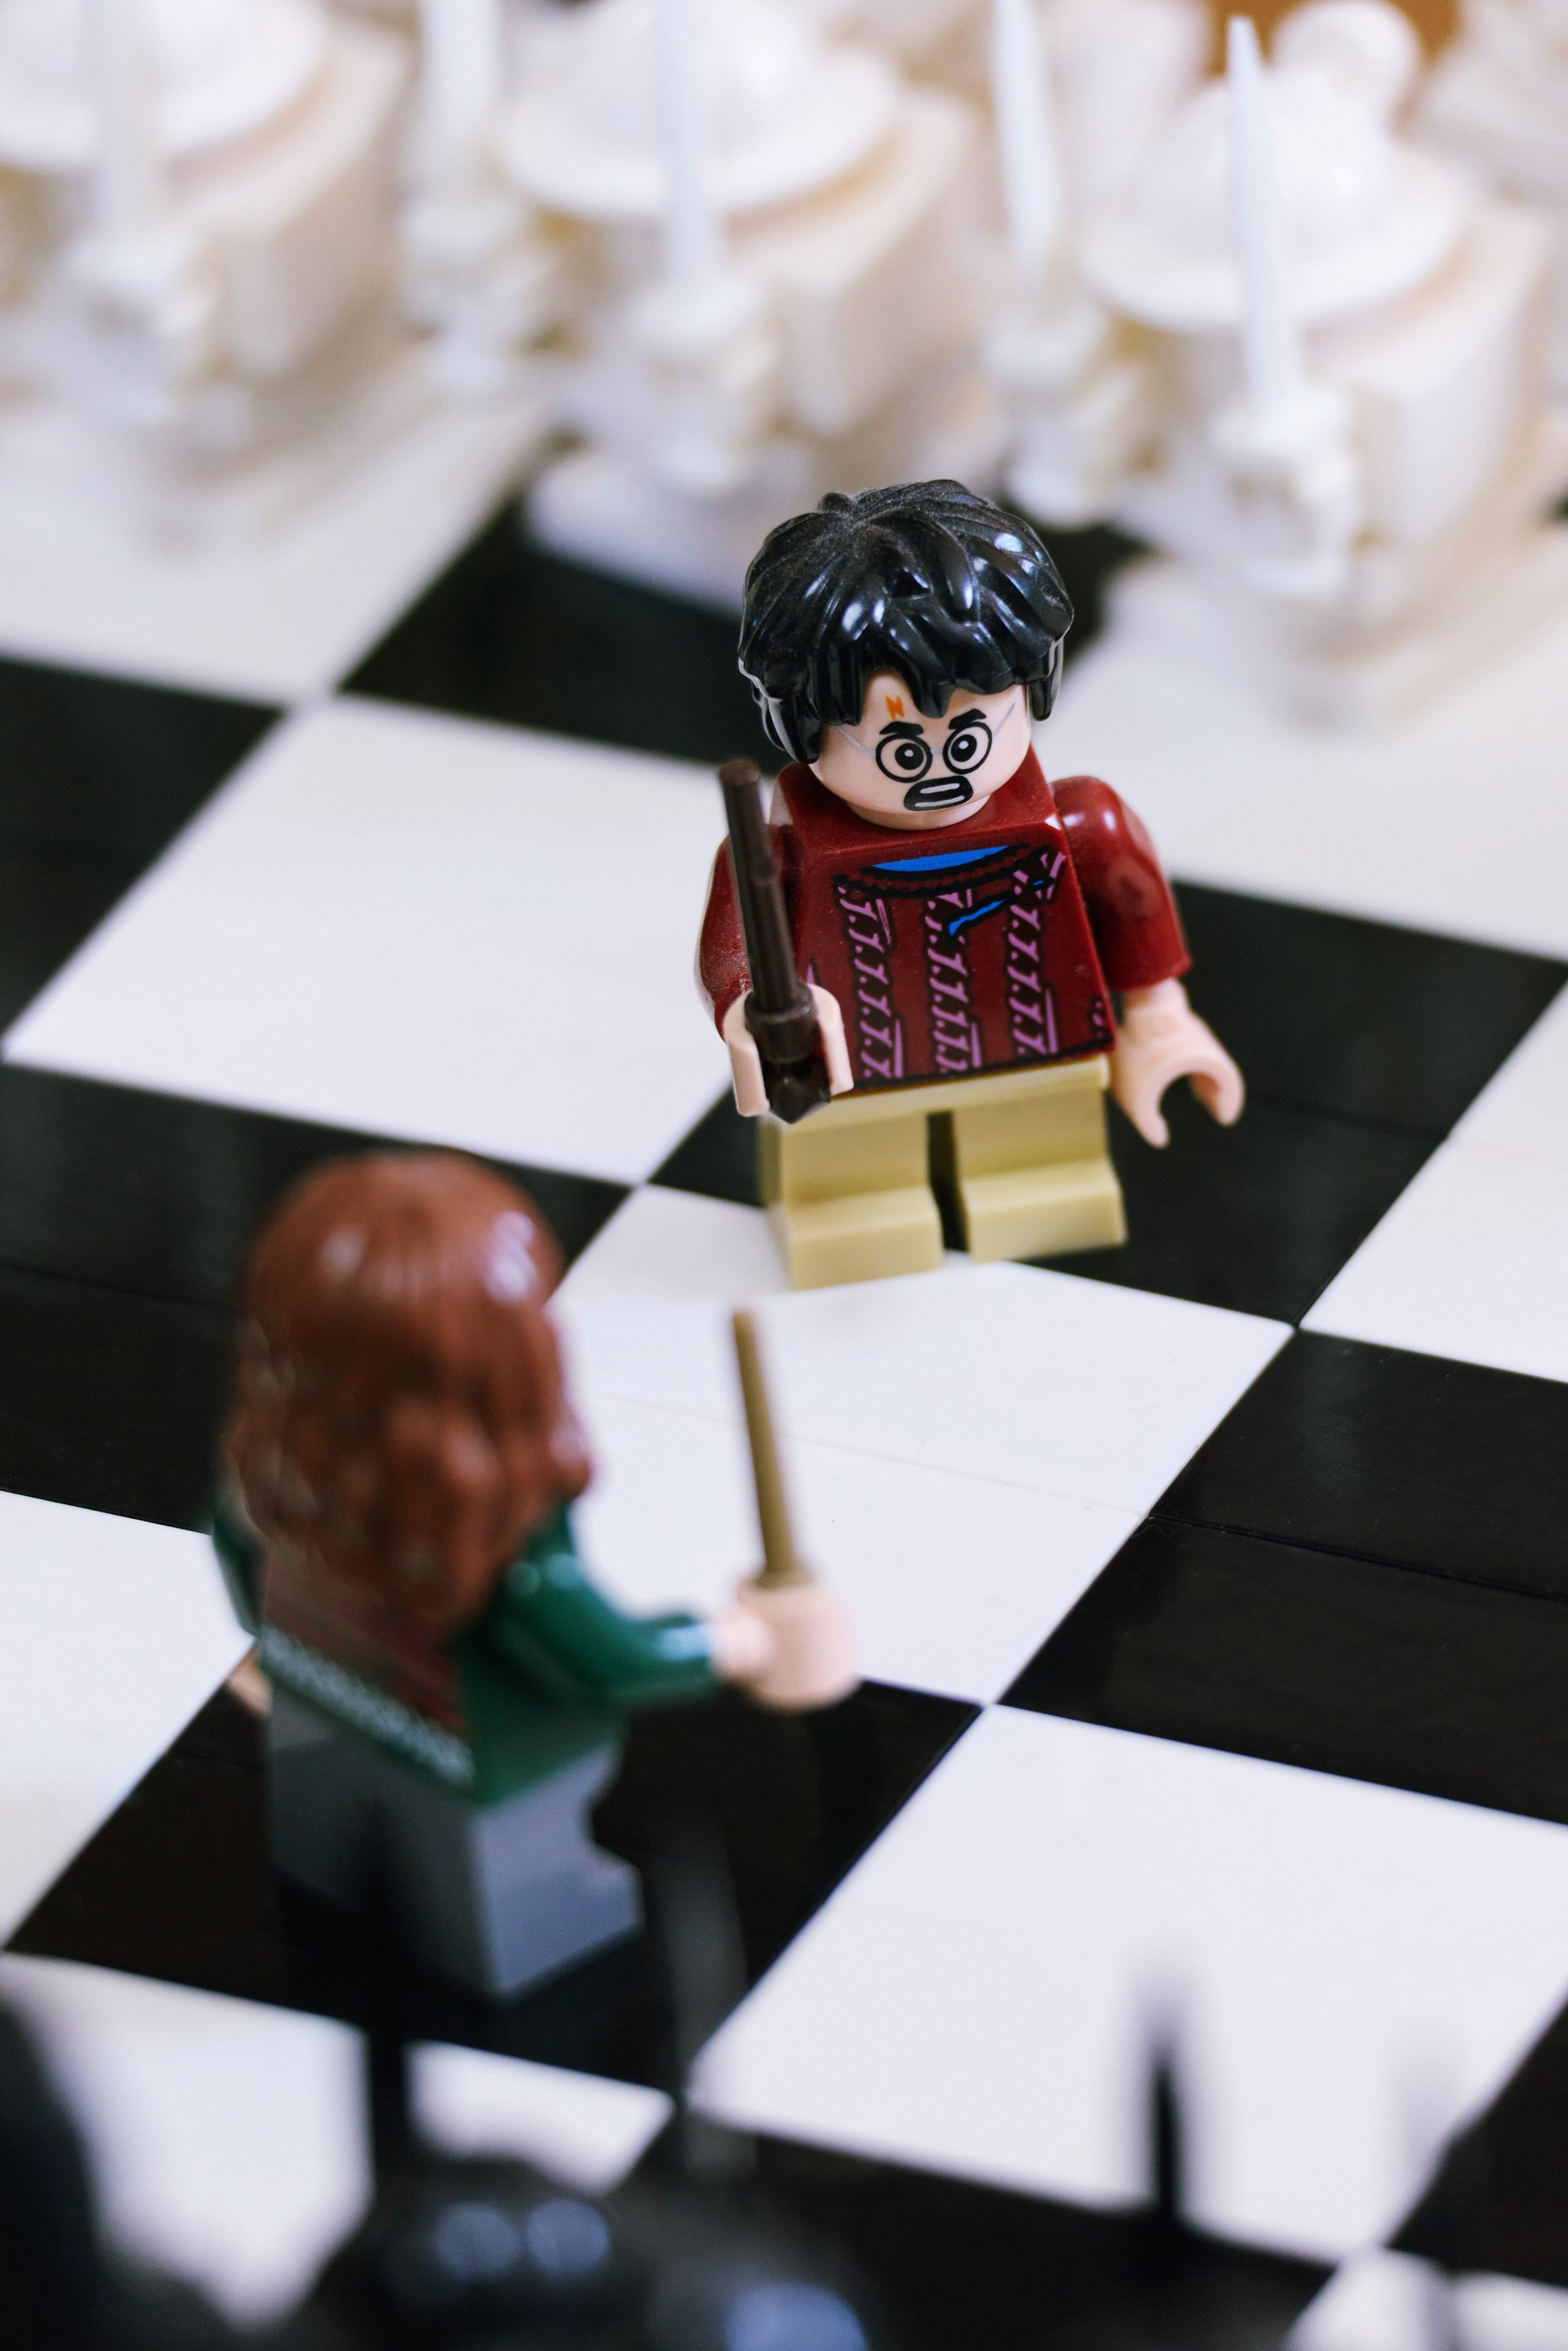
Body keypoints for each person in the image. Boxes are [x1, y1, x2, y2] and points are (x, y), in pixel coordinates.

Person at [214, 1151, 854, 1998]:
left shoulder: (276, 1479)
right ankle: (512, 1922)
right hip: (481, 1757)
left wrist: (277, 1643)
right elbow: (601, 1658)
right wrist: (743, 1639)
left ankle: (334, 1886)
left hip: (324, 1700)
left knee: (324, 1820)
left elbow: (235, 1549)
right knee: (500, 1872)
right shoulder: (488, 1534)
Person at [697, 477, 1244, 1289]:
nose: (939, 773)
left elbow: (1128, 899)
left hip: (1031, 1038)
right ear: (805, 724)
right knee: (852, 1181)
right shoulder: (779, 855)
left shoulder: (1073, 820)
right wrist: (751, 1003)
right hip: (854, 1064)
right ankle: (851, 1210)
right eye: (902, 751)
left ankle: (1036, 1190)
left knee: (1036, 1163)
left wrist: (1161, 1018)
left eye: (967, 736)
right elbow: (734, 945)